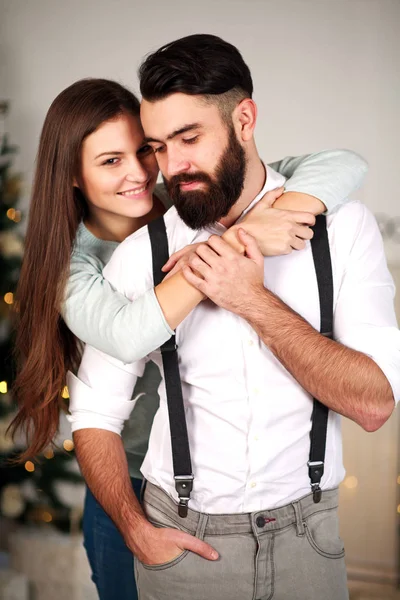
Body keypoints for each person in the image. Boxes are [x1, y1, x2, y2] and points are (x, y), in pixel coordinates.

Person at [68, 35, 400, 600]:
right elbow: (93, 413)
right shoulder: (139, 255)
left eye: (189, 138)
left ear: (244, 119)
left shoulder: (342, 229)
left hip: (309, 543)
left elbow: (373, 404)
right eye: (159, 146)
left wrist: (250, 298)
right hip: (182, 548)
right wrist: (136, 531)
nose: (172, 167)